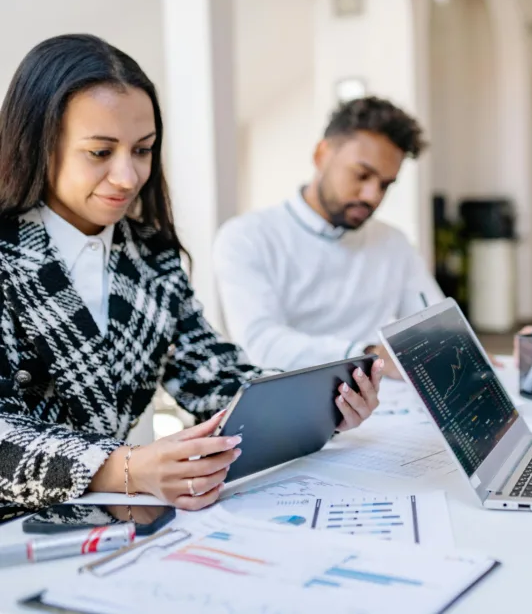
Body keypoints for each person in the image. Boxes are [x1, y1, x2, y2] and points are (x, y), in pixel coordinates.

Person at [0, 35, 383, 515]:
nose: (128, 176)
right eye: (100, 152)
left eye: (142, 150)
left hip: (109, 526)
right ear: (37, 143)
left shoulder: (149, 252)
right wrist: (127, 466)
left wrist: (320, 409)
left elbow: (211, 374)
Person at [213, 97, 441, 379]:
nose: (373, 196)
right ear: (322, 155)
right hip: (290, 408)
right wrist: (370, 354)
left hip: (385, 403)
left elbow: (433, 328)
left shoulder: (394, 243)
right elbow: (262, 343)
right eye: (362, 175)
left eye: (385, 184)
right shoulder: (248, 237)